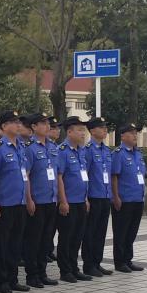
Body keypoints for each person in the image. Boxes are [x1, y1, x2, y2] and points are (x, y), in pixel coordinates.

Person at [0, 110, 29, 293]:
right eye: (14, 122)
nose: (18, 125)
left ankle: (13, 279)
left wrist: (28, 198)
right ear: (4, 126)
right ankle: (2, 280)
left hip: (20, 202)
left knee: (16, 243)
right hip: (5, 203)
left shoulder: (21, 147)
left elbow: (25, 175)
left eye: (19, 122)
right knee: (2, 244)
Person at [23, 113, 60, 287]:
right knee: (34, 240)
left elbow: (56, 174)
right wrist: (29, 199)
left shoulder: (52, 147)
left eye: (48, 123)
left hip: (51, 199)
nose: (47, 126)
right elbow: (26, 175)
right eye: (43, 123)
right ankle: (32, 275)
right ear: (34, 127)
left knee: (46, 239)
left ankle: (42, 272)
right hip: (37, 200)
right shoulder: (29, 148)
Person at [55, 116, 92, 283]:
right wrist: (63, 201)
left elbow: (83, 177)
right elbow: (59, 177)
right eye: (79, 130)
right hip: (68, 201)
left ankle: (74, 267)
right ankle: (65, 270)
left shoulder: (81, 151)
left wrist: (85, 198)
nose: (83, 133)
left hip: (80, 201)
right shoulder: (62, 151)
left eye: (83, 130)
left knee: (77, 237)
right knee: (66, 237)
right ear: (69, 132)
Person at [111, 122, 147, 273]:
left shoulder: (138, 153)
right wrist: (116, 197)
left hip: (138, 198)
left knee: (132, 232)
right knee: (121, 232)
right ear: (123, 136)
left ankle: (128, 259)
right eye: (131, 133)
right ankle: (119, 262)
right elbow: (114, 176)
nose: (135, 136)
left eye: (135, 133)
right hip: (124, 199)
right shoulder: (118, 154)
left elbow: (143, 174)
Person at [82, 117, 114, 277]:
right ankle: (88, 265)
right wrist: (85, 197)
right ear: (93, 131)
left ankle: (97, 262)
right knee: (90, 232)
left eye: (105, 127)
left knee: (101, 232)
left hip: (105, 196)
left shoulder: (107, 150)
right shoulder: (88, 150)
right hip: (93, 196)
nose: (105, 130)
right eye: (101, 128)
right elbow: (85, 175)